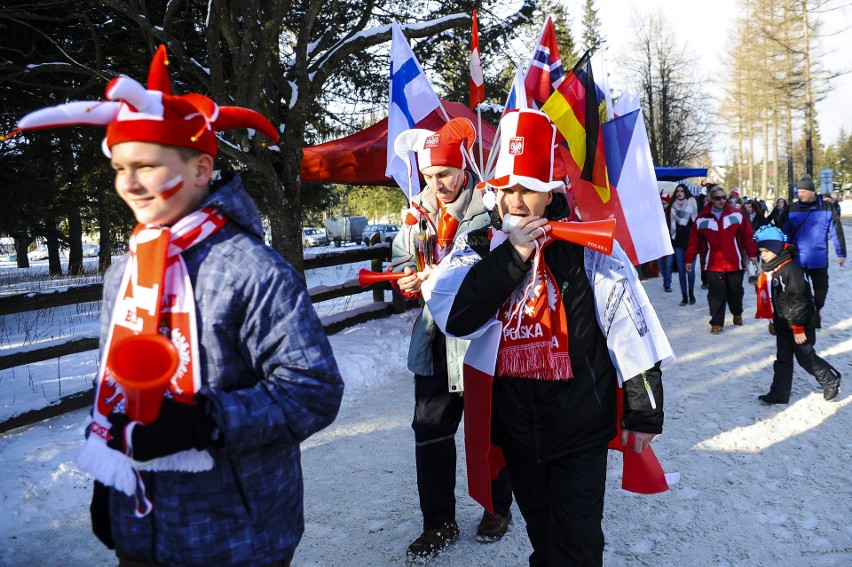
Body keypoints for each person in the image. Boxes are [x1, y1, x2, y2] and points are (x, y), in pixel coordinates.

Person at [7, 45, 344, 566]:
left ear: (201, 168)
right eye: (120, 168)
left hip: (237, 537)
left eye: (146, 165)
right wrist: (109, 479)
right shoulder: (127, 267)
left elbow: (314, 391)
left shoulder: (251, 270)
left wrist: (206, 421)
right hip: (142, 527)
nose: (130, 184)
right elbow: (115, 385)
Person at [422, 108, 673, 567]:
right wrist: (513, 257)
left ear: (549, 192)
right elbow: (454, 316)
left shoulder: (589, 246)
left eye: (527, 189)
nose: (514, 201)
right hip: (516, 432)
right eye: (504, 188)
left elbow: (632, 328)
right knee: (544, 542)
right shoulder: (477, 247)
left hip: (580, 430)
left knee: (577, 548)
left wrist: (643, 412)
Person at [390, 118, 514, 560]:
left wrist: (441, 277)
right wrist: (404, 279)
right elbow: (402, 260)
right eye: (428, 176)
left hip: (482, 340)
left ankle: (497, 507)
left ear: (462, 167)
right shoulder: (416, 212)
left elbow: (497, 269)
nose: (436, 184)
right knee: (430, 430)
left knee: (492, 428)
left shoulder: (490, 209)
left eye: (443, 174)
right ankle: (438, 522)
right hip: (433, 341)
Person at [753, 226, 841, 404]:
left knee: (805, 357)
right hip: (783, 322)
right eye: (761, 251)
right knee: (783, 359)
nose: (763, 255)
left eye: (767, 251)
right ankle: (779, 393)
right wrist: (772, 321)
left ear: (777, 248)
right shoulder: (771, 269)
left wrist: (798, 328)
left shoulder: (790, 270)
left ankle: (830, 379)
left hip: (800, 323)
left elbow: (799, 301)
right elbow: (771, 299)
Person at [686, 184, 758, 334]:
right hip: (712, 264)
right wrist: (689, 259)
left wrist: (752, 255)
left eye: (724, 198)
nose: (721, 201)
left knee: (736, 291)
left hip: (735, 262)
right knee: (716, 294)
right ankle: (717, 323)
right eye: (718, 198)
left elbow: (748, 236)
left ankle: (737, 313)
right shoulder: (701, 219)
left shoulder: (737, 214)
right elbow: (694, 242)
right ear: (710, 199)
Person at [783, 174, 847, 328]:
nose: (800, 194)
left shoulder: (827, 208)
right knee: (798, 291)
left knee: (821, 291)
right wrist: (782, 252)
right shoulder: (791, 209)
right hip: (797, 258)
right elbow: (784, 232)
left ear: (812, 191)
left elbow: (836, 232)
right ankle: (804, 318)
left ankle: (816, 309)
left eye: (803, 191)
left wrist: (841, 253)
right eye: (798, 191)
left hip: (818, 259)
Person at [669, 183, 698, 305]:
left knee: (690, 270)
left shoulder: (692, 202)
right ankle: (684, 296)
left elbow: (697, 222)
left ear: (685, 192)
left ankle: (691, 293)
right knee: (681, 270)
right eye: (677, 191)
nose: (679, 193)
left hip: (691, 241)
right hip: (678, 241)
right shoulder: (672, 206)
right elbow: (670, 225)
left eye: (681, 191)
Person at [659, 193, 674, 293]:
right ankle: (665, 280)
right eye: (661, 203)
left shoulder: (672, 214)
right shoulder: (656, 214)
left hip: (669, 244)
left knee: (668, 264)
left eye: (664, 203)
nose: (663, 205)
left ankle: (667, 284)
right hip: (659, 244)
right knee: (661, 265)